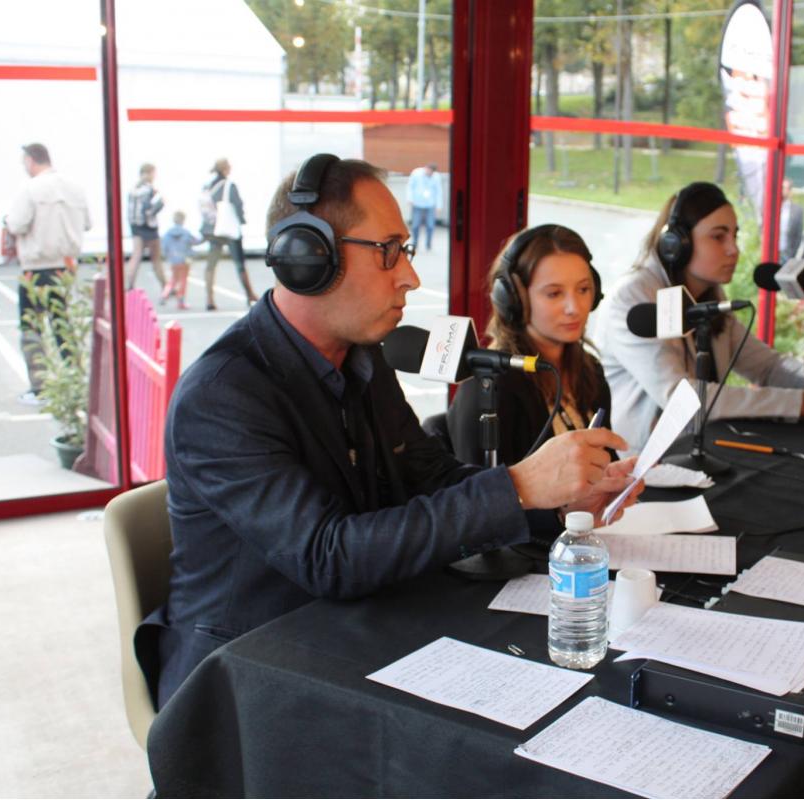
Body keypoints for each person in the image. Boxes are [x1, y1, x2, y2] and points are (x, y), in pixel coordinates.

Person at [143, 156, 639, 708]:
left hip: (355, 632)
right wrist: (518, 486)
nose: (410, 275)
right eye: (388, 251)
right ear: (308, 258)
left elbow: (428, 474)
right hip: (247, 678)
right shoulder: (221, 395)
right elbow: (327, 556)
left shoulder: (362, 359)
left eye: (404, 250)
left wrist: (555, 504)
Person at [596, 181, 804, 455]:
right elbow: (684, 400)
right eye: (718, 237)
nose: (733, 249)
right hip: (645, 468)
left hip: (703, 451)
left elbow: (768, 367)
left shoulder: (709, 296)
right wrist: (801, 403)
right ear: (676, 244)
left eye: (734, 236)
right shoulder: (634, 298)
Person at [448, 224, 610, 465]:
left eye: (583, 289)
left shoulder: (589, 369)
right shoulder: (488, 388)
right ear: (514, 300)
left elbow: (608, 457)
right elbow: (478, 496)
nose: (574, 307)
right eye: (554, 294)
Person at [4, 143, 91, 406]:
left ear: (31, 161)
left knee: (32, 327)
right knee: (64, 325)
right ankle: (74, 378)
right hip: (66, 267)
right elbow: (88, 223)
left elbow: (17, 223)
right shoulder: (74, 188)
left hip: (36, 268)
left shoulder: (30, 189)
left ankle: (40, 386)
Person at [200, 158, 258, 309]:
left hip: (213, 230)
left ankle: (209, 299)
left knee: (211, 264)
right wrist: (242, 221)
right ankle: (249, 295)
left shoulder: (207, 186)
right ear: (225, 169)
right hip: (229, 229)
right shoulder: (229, 185)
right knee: (239, 263)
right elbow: (238, 205)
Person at [124, 162, 166, 291]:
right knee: (156, 259)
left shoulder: (133, 190)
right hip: (149, 227)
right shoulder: (149, 190)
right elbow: (152, 208)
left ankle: (128, 283)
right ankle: (165, 286)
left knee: (136, 255)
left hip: (135, 226)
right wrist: (160, 205)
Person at [160, 211, 201, 310]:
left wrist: (167, 257)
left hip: (173, 260)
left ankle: (164, 294)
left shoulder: (167, 233)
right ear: (183, 220)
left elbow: (164, 247)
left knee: (173, 279)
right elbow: (194, 242)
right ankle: (181, 301)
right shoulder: (186, 232)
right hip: (184, 260)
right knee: (183, 281)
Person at [407, 162, 443, 252]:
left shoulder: (436, 177)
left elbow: (439, 191)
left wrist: (439, 206)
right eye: (428, 171)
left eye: (431, 172)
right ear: (425, 168)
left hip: (430, 204)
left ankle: (428, 244)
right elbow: (410, 186)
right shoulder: (416, 173)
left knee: (430, 225)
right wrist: (410, 198)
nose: (429, 173)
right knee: (415, 225)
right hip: (417, 203)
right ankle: (415, 243)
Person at [778, 178, 804, 263]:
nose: (781, 190)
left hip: (787, 253)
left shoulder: (797, 210)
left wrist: (792, 253)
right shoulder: (771, 207)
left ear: (789, 191)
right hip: (772, 252)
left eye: (784, 188)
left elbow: (798, 234)